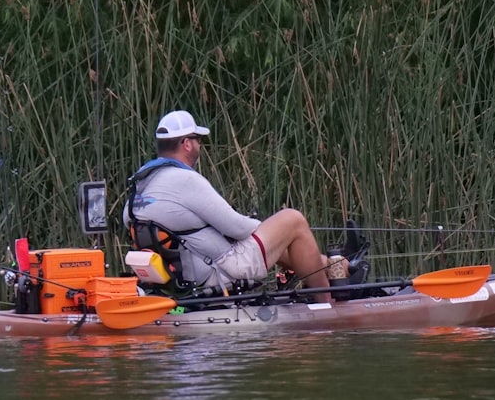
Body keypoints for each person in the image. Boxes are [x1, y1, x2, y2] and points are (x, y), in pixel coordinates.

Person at [124, 110, 337, 302]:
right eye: (198, 140)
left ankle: (330, 264)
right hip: (219, 271)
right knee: (292, 220)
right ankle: (326, 303)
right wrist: (265, 228)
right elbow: (237, 228)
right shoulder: (186, 180)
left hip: (180, 279)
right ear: (187, 144)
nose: (199, 145)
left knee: (276, 239)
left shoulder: (140, 183)